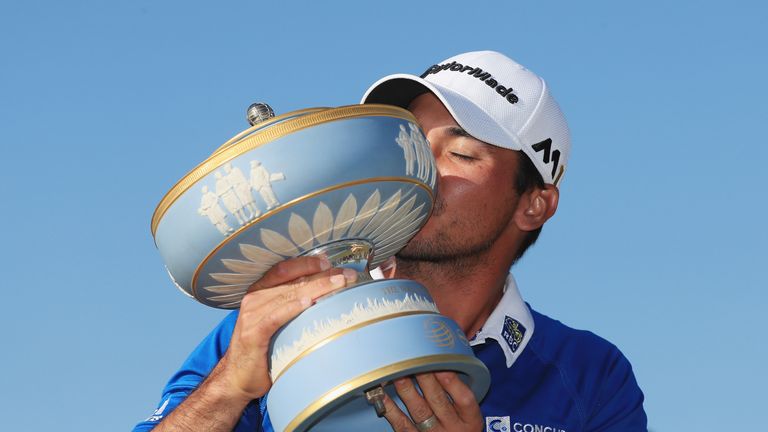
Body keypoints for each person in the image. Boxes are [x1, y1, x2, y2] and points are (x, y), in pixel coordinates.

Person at [134, 51, 647, 432]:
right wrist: (229, 386)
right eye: (409, 144)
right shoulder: (270, 323)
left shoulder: (591, 375)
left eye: (461, 155)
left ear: (534, 203)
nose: (420, 169)